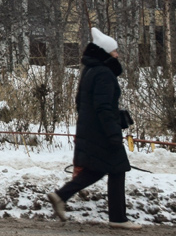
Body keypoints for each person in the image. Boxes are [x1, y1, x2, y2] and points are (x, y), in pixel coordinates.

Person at [47, 28, 140, 229]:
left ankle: (61, 195)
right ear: (106, 53)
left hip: (90, 129)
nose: (117, 55)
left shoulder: (89, 71)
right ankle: (118, 219)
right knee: (116, 169)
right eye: (115, 51)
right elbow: (104, 107)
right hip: (102, 132)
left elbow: (81, 102)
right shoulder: (105, 73)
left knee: (99, 169)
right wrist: (113, 131)